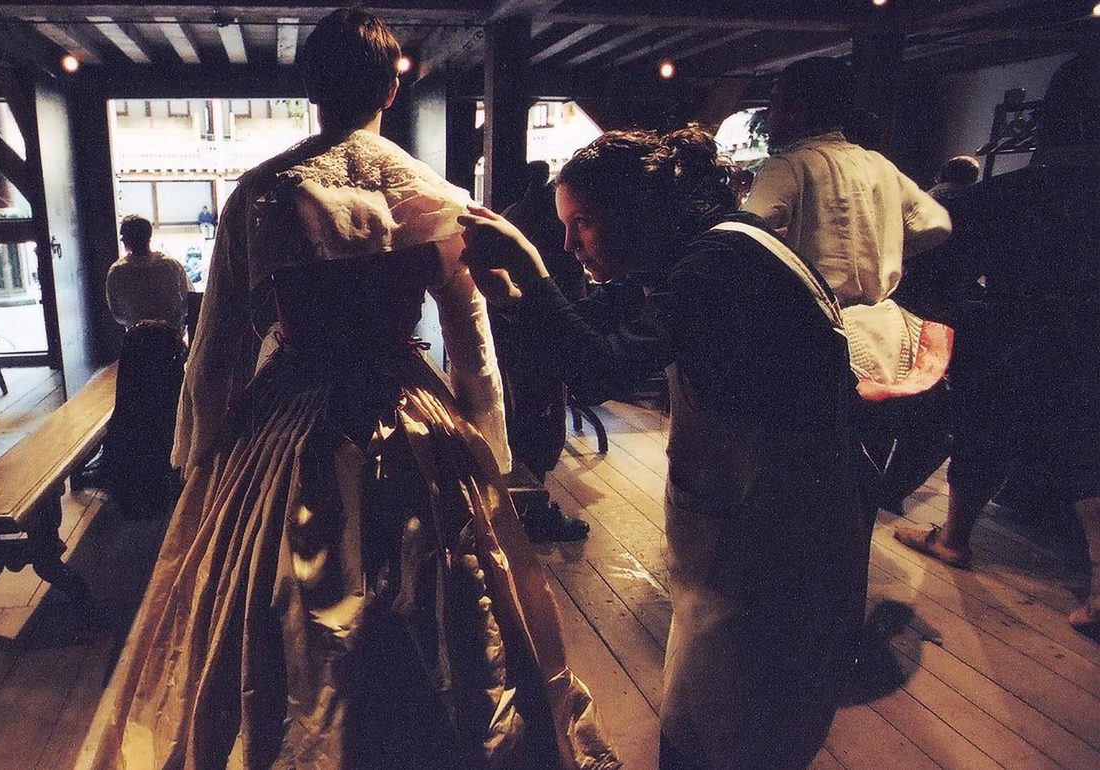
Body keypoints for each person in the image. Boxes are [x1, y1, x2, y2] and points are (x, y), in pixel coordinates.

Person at [79, 10, 617, 770]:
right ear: (390, 91)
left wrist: (198, 452)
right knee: (448, 590)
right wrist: (487, 447)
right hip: (409, 408)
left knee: (266, 599)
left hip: (292, 415)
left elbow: (219, 343)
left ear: (310, 88)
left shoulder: (261, 195)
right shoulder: (435, 196)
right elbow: (470, 339)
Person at [461, 127, 866, 769]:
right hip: (776, 511)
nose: (570, 245)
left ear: (635, 212)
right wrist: (516, 300)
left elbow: (600, 369)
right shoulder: (717, 249)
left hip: (777, 529)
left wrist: (532, 274)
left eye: (582, 224)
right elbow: (599, 330)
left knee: (728, 719)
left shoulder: (717, 266)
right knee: (737, 711)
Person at [893, 54, 1100, 632]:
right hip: (1089, 341)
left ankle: (954, 538)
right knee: (1087, 451)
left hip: (1017, 333)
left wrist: (969, 314)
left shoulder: (1009, 195)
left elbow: (926, 272)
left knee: (983, 430)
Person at [744, 56, 952, 518]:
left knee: (801, 481)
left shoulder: (788, 165)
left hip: (814, 337)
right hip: (884, 336)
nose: (771, 115)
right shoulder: (879, 164)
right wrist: (886, 250)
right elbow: (936, 224)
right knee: (860, 476)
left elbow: (746, 232)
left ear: (795, 110)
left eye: (775, 103)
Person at [495, 160, 589, 542]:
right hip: (542, 334)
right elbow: (569, 281)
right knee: (543, 425)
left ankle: (521, 510)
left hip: (510, 330)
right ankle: (532, 514)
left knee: (520, 422)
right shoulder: (548, 220)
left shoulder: (512, 214)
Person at [105, 214, 193, 336]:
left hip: (138, 337)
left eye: (123, 236)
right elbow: (186, 300)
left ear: (127, 240)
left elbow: (117, 313)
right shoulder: (170, 266)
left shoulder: (118, 271)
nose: (121, 240)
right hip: (170, 337)